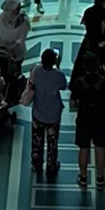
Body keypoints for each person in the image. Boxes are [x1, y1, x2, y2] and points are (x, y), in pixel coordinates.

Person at [69, 50, 105, 191]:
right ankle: (100, 178)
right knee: (100, 148)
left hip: (84, 118)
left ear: (84, 66)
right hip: (101, 118)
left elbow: (72, 103)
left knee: (84, 148)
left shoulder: (79, 82)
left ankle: (83, 178)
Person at [25, 48, 67, 179]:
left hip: (38, 113)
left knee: (37, 141)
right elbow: (63, 86)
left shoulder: (36, 71)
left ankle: (36, 163)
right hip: (53, 115)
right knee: (52, 143)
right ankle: (51, 166)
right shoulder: (58, 75)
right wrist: (58, 67)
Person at [0, 0, 31, 72]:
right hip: (1, 49)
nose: (4, 12)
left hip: (17, 52)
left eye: (6, 10)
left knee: (15, 70)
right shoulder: (0, 17)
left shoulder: (23, 21)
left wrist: (10, 47)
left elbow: (21, 39)